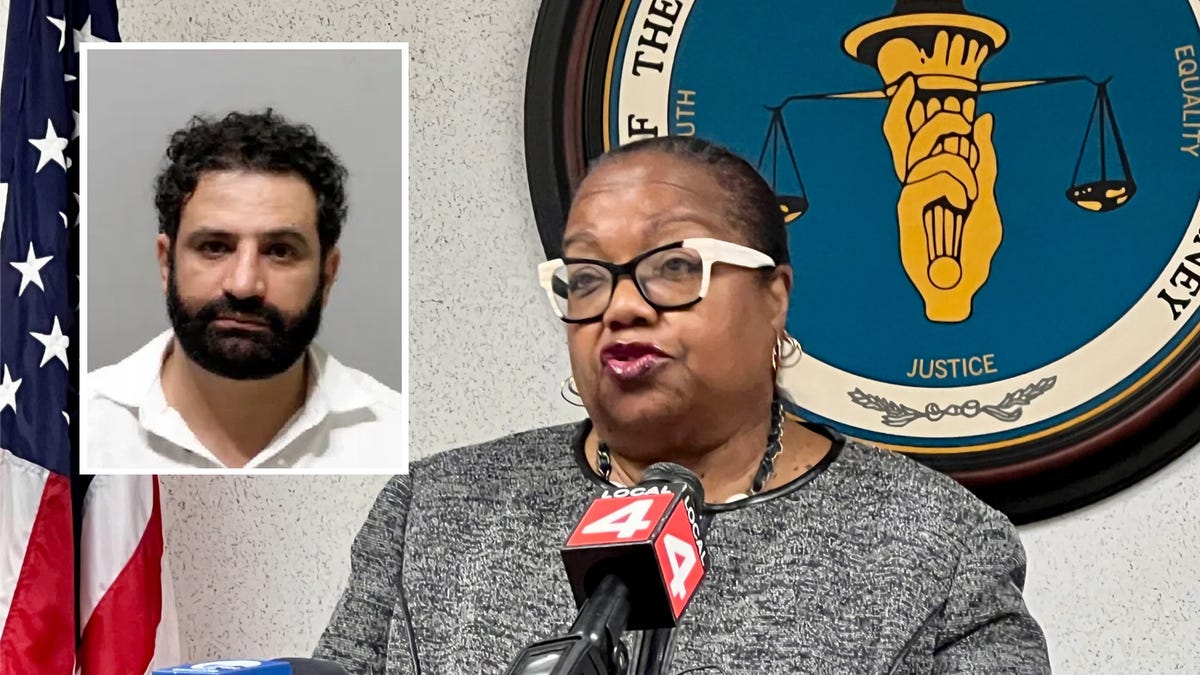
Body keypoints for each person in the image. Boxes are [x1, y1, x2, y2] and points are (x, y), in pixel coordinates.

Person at [314, 135, 1050, 673]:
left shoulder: (940, 543)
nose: (621, 306)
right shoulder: (432, 510)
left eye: (673, 265)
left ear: (774, 299)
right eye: (587, 276)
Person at [84, 110, 404, 471]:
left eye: (280, 251)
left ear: (327, 275)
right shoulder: (78, 430)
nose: (244, 284)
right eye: (214, 247)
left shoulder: (396, 440)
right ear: (166, 263)